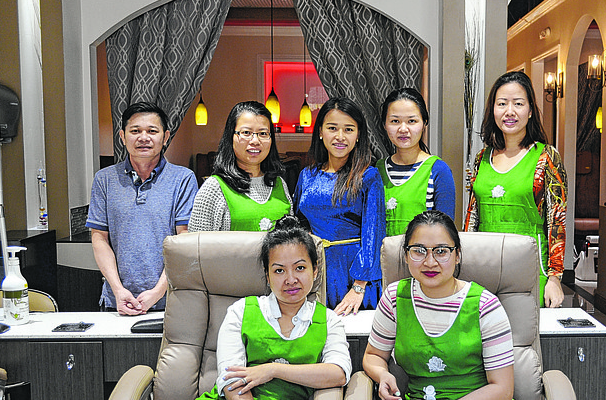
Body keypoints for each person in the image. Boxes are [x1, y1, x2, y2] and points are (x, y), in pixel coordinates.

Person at [185, 216, 351, 400]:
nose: (290, 279)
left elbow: (338, 373)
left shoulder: (329, 321)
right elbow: (231, 383)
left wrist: (272, 369)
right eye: (279, 270)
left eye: (300, 268)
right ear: (266, 272)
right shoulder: (242, 311)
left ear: (315, 268)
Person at [363, 210, 518, 400]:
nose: (430, 261)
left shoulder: (485, 305)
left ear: (457, 255)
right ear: (406, 255)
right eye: (419, 251)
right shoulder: (394, 299)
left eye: (441, 251)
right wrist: (383, 376)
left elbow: (502, 389)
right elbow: (374, 356)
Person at [464, 70, 568, 308]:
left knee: (523, 340)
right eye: (502, 104)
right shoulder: (482, 157)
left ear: (530, 111)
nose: (509, 111)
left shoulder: (546, 157)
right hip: (483, 264)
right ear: (493, 110)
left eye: (518, 104)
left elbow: (557, 221)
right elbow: (472, 217)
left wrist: (555, 278)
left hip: (529, 267)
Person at [86, 102, 198, 315]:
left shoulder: (183, 179)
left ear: (165, 137)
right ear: (122, 136)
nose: (143, 137)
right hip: (116, 302)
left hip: (172, 302)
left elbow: (185, 241)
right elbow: (99, 238)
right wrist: (118, 291)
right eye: (135, 131)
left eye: (152, 131)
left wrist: (157, 292)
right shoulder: (105, 179)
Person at [293, 97, 385, 315]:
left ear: (358, 134)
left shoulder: (368, 176)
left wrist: (359, 285)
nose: (340, 137)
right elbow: (298, 224)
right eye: (332, 128)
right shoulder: (307, 175)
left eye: (349, 129)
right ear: (320, 132)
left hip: (354, 272)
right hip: (314, 269)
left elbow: (373, 233)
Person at [189, 101, 292, 232]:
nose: (255, 141)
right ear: (230, 137)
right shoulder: (214, 187)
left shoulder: (279, 184)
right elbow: (196, 247)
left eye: (263, 133)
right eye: (246, 132)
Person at [376, 88, 455, 236]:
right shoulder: (377, 170)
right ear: (384, 124)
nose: (403, 129)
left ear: (424, 123)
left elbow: (446, 231)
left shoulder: (438, 170)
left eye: (412, 121)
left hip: (423, 257)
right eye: (395, 121)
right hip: (383, 257)